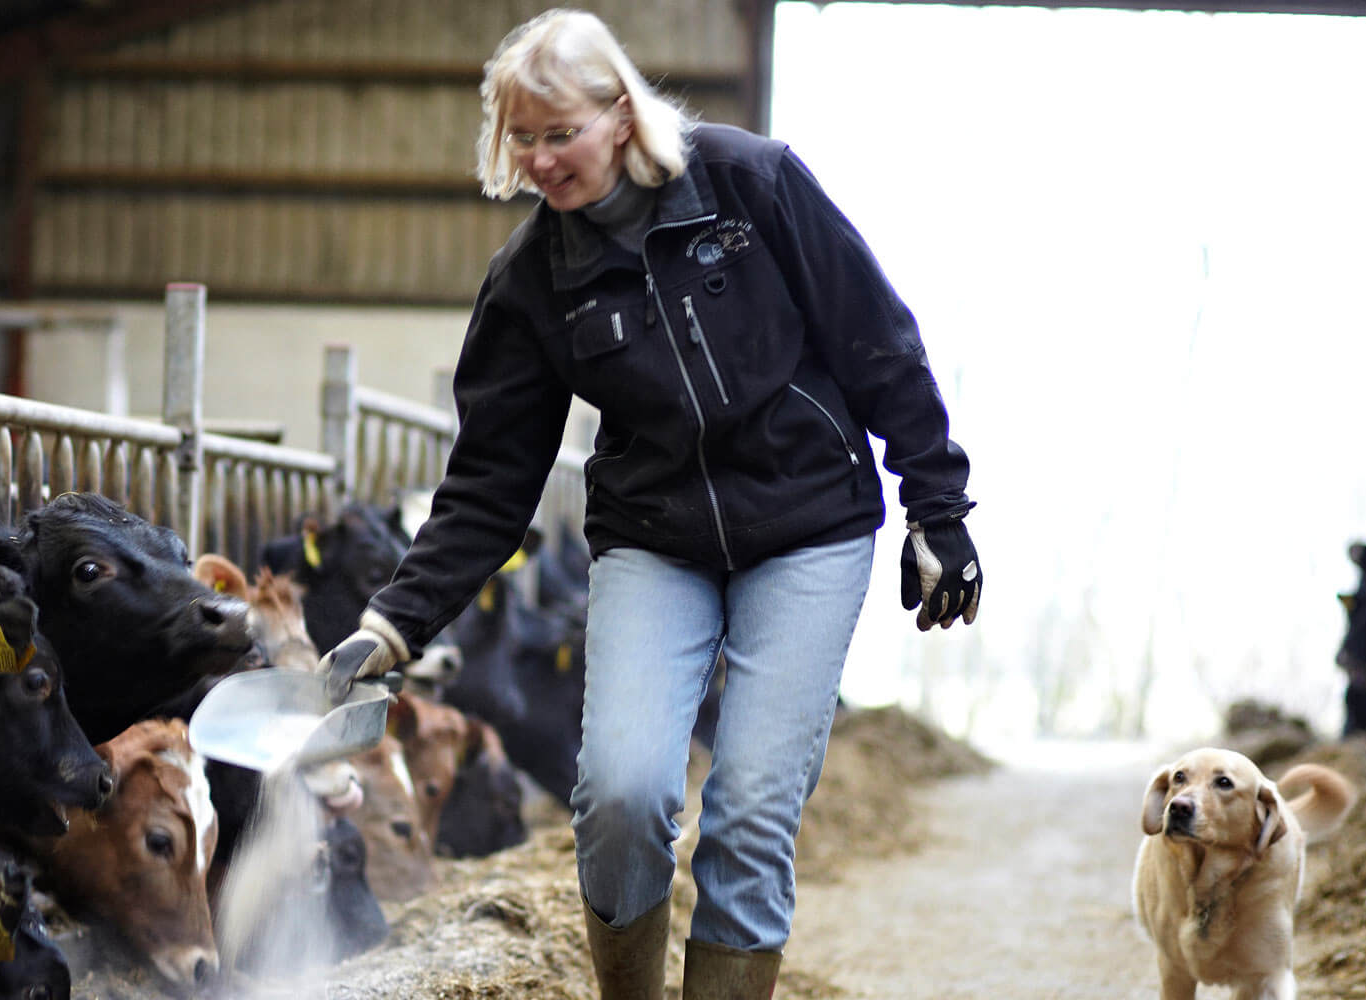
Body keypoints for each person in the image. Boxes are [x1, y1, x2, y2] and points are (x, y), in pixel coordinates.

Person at [317, 9, 980, 1000]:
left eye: (559, 132)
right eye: (521, 140)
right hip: (656, 538)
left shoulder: (752, 183)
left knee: (753, 805)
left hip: (807, 524)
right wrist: (391, 621)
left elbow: (876, 336)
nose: (539, 160)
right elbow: (490, 479)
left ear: (621, 114)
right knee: (621, 795)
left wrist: (939, 504)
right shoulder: (532, 280)